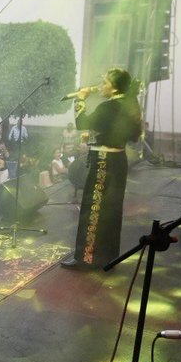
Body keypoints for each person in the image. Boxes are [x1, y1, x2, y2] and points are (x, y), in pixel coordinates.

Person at [62, 68, 142, 270]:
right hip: (118, 160)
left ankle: (85, 258)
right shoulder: (130, 103)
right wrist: (100, 136)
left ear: (114, 88)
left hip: (104, 163)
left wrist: (80, 99)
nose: (100, 86)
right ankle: (106, 257)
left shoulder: (109, 106)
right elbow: (128, 134)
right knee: (111, 210)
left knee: (93, 209)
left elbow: (82, 122)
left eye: (104, 82)